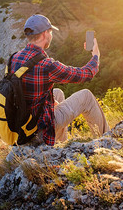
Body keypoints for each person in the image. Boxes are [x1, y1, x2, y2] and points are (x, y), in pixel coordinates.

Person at [9, 14, 110, 145]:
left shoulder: (14, 58)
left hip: (22, 124)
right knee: (86, 96)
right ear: (45, 34)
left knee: (57, 93)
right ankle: (108, 141)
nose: (51, 35)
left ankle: (59, 143)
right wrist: (96, 55)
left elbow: (24, 90)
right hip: (40, 129)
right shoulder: (46, 65)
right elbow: (85, 74)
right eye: (50, 32)